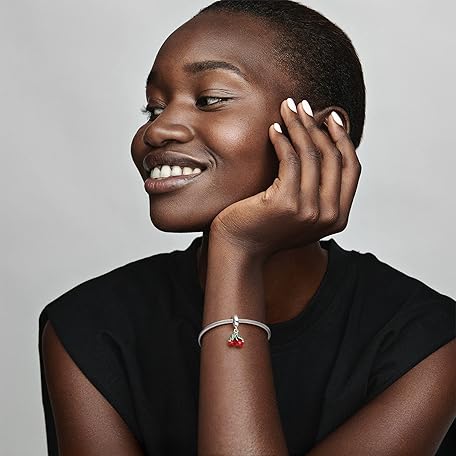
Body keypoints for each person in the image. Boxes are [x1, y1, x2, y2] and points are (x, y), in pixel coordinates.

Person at [38, 1, 456, 455]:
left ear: (319, 132)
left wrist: (236, 251)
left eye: (209, 99)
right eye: (153, 108)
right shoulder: (88, 328)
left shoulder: (429, 342)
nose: (156, 132)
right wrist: (236, 253)